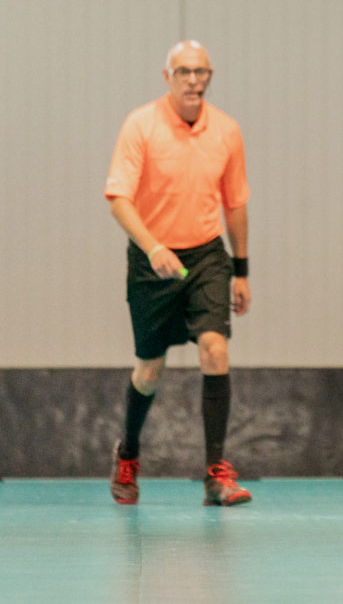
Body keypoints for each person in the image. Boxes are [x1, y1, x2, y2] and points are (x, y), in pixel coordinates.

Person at [104, 40, 253, 506]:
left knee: (215, 349)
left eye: (202, 72)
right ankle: (128, 454)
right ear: (167, 76)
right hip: (153, 263)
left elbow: (235, 204)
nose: (194, 80)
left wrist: (242, 270)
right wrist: (152, 247)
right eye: (185, 71)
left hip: (207, 256)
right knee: (149, 369)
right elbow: (118, 199)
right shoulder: (141, 126)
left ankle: (216, 474)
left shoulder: (226, 131)